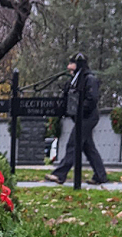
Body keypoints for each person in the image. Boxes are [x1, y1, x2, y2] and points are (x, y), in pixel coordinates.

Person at [45, 53, 108, 185]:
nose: (68, 67)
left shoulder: (89, 79)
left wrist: (78, 109)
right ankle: (100, 176)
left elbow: (92, 100)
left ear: (79, 64)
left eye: (71, 63)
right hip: (79, 117)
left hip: (87, 117)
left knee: (73, 144)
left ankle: (60, 174)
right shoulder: (73, 81)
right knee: (88, 147)